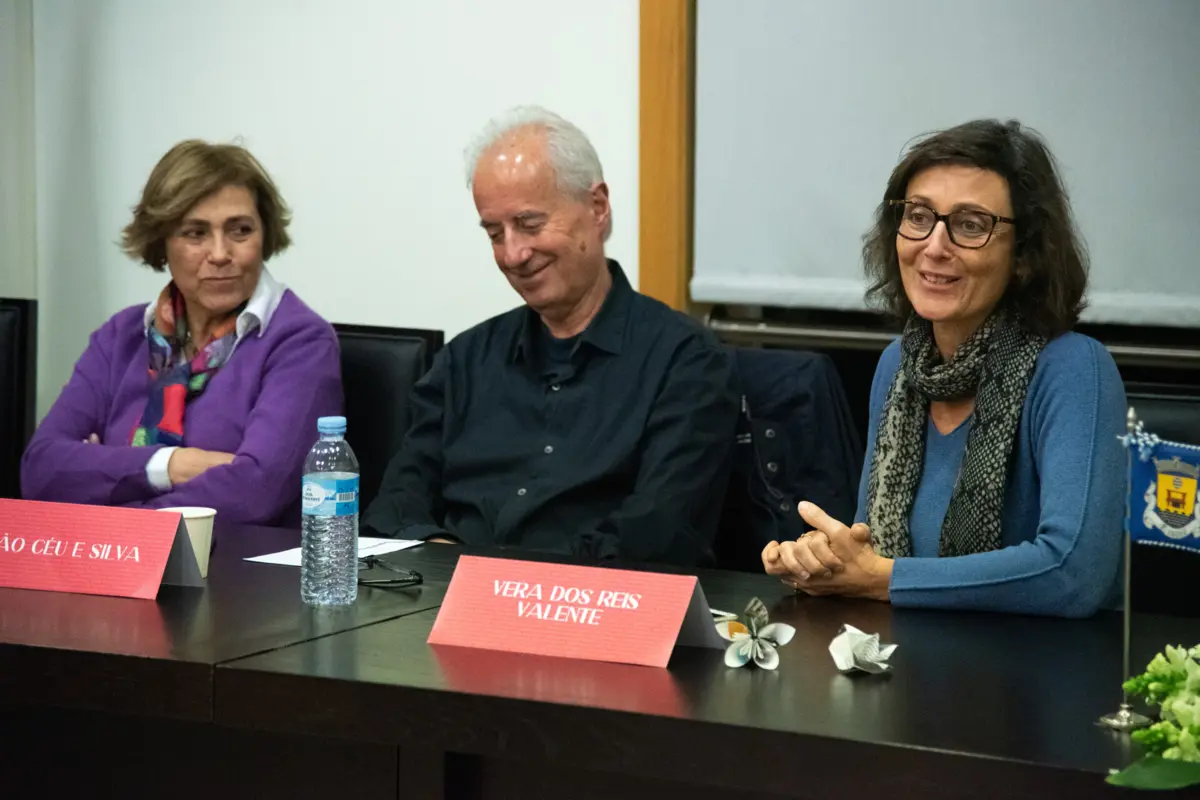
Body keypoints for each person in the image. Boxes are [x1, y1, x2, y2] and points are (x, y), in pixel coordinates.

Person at [763, 119, 1126, 618]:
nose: (934, 246)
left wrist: (880, 578)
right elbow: (871, 556)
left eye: (970, 225)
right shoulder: (898, 366)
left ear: (1025, 255)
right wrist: (826, 561)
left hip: (1034, 666)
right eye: (918, 216)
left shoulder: (1074, 368)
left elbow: (1074, 574)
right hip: (903, 655)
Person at [362, 106, 738, 565]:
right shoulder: (464, 361)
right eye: (494, 234)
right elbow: (395, 506)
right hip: (447, 595)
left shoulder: (685, 362)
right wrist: (448, 565)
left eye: (530, 225)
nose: (512, 254)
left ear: (597, 208)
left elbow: (660, 533)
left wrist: (510, 580)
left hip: (592, 601)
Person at [21, 140, 342, 526]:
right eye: (195, 233)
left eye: (240, 231)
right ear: (162, 242)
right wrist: (173, 465)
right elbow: (40, 471)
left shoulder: (300, 343)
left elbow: (255, 492)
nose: (220, 253)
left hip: (234, 562)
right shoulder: (122, 336)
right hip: (111, 559)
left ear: (265, 235)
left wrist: (103, 487)